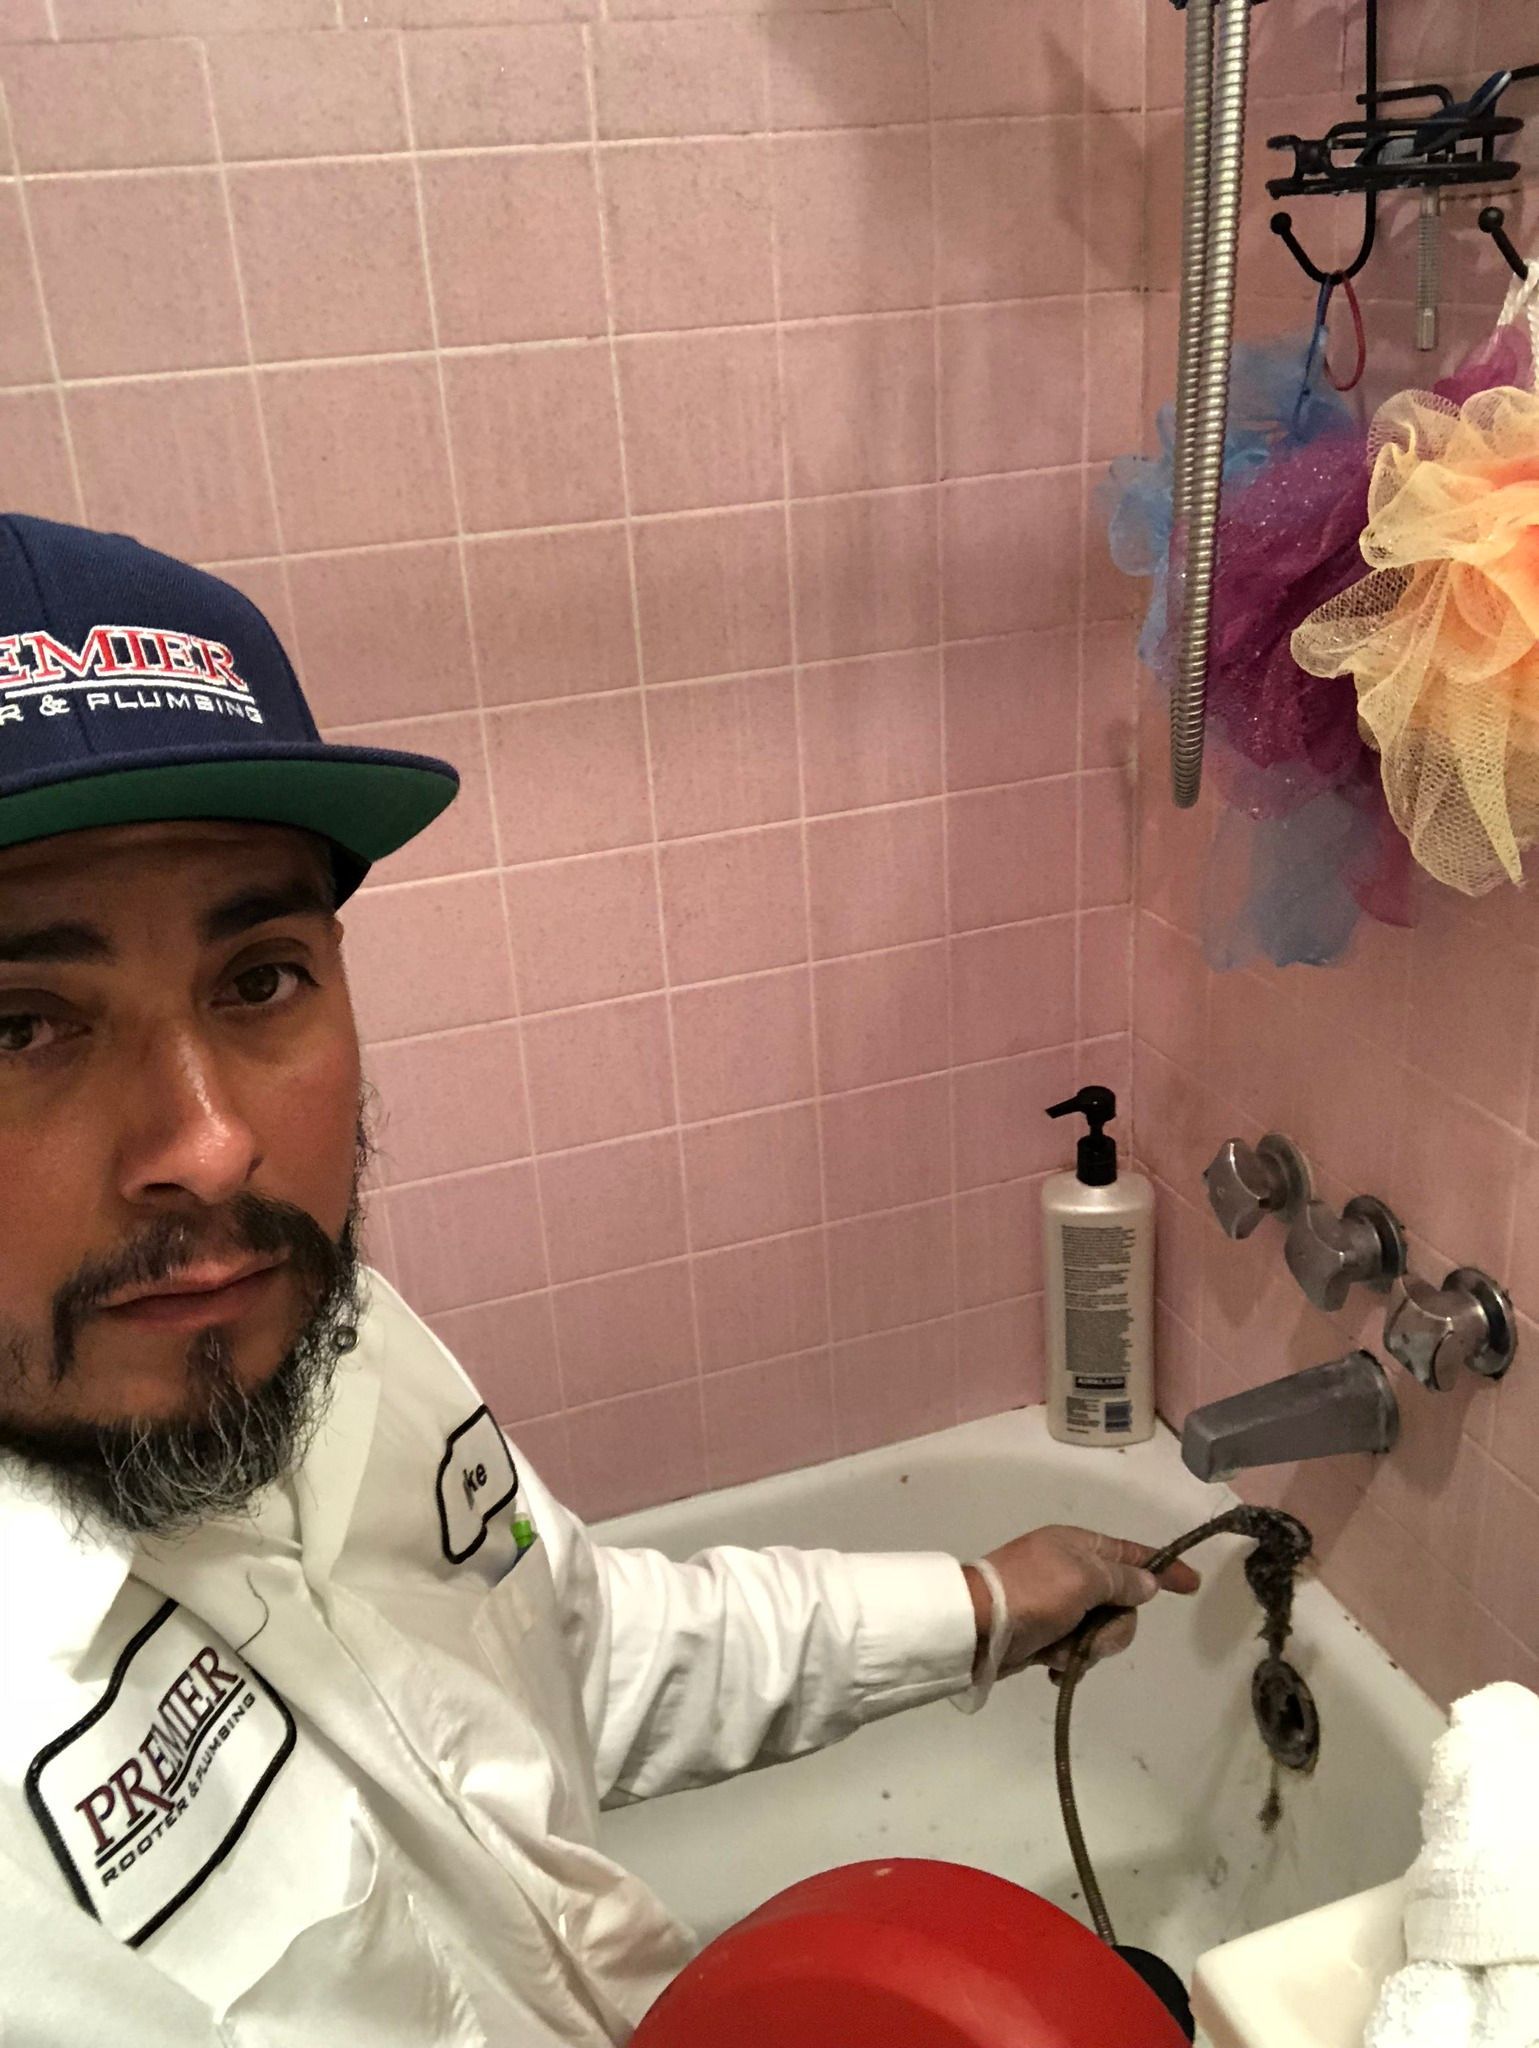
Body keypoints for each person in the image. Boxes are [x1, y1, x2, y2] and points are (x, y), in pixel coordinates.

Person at [0, 514, 1199, 2046]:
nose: (217, 1148)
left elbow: (558, 1649)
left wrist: (979, 1604)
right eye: (24, 1025)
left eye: (259, 980)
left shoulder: (303, 1332)